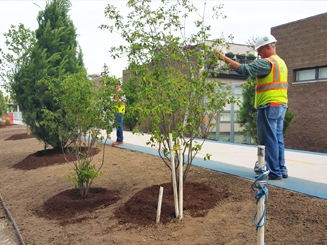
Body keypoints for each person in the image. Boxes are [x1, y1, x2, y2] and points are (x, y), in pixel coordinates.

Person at [215, 34, 288, 180]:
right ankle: (281, 169)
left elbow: (243, 69)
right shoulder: (281, 63)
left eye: (260, 50)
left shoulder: (267, 63)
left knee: (269, 140)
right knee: (278, 138)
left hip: (268, 106)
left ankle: (274, 172)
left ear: (268, 47)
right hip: (281, 105)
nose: (258, 54)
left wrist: (222, 58)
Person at [112, 81, 126, 146]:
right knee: (118, 125)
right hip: (117, 110)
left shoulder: (120, 92)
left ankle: (120, 140)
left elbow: (124, 100)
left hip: (120, 111)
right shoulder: (116, 93)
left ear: (119, 85)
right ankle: (119, 140)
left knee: (119, 125)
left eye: (117, 84)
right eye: (115, 84)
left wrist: (115, 101)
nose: (116, 85)